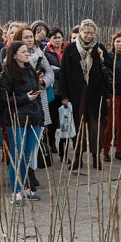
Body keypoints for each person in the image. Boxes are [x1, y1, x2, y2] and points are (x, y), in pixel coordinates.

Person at [0, 41, 44, 205]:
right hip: (17, 120)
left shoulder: (30, 71)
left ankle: (25, 187)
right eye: (23, 51)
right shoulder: (7, 74)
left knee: (27, 155)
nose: (27, 54)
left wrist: (40, 115)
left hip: (33, 118)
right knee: (17, 156)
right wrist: (25, 98)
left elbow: (36, 96)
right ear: (14, 54)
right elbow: (2, 99)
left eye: (27, 51)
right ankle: (16, 190)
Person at [60, 19, 109, 170]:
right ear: (80, 32)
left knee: (96, 124)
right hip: (77, 91)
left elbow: (110, 69)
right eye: (86, 32)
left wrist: (102, 58)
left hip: (96, 92)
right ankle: (78, 157)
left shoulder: (99, 47)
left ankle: (96, 156)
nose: (88, 36)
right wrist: (64, 96)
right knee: (78, 123)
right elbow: (63, 74)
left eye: (91, 33)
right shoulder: (70, 49)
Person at [13, 26, 54, 189]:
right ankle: (23, 173)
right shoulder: (14, 56)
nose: (30, 39)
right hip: (24, 101)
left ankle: (32, 170)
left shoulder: (39, 53)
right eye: (26, 37)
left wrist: (42, 81)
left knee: (37, 138)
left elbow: (50, 72)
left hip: (39, 98)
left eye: (31, 36)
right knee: (24, 141)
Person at [102, 32, 121, 162]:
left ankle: (119, 150)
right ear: (113, 43)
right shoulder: (109, 57)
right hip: (113, 93)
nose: (119, 44)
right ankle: (106, 150)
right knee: (111, 124)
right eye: (117, 41)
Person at [44, 27, 67, 158]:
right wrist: (62, 72)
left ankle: (63, 148)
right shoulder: (46, 52)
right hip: (52, 90)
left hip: (65, 90)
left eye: (59, 37)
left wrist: (60, 71)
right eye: (54, 38)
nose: (57, 40)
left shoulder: (68, 49)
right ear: (49, 39)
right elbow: (48, 71)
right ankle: (50, 143)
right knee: (52, 121)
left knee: (65, 120)